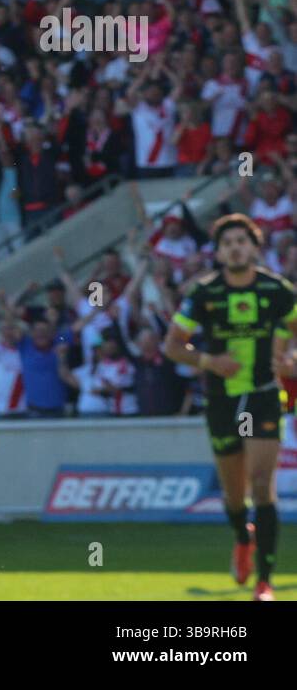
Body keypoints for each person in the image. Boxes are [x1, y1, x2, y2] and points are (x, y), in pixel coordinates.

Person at [163, 213, 297, 601]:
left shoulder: (277, 290)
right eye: (228, 243)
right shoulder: (204, 294)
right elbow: (174, 345)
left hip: (263, 394)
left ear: (255, 247)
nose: (235, 247)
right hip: (221, 400)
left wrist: (290, 357)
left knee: (262, 487)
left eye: (242, 240)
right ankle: (242, 537)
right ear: (219, 253)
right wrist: (209, 362)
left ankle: (265, 582)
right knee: (235, 494)